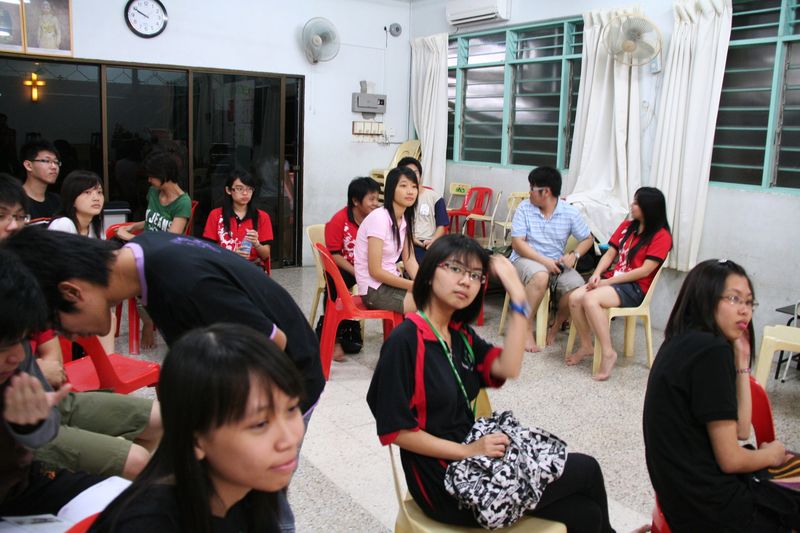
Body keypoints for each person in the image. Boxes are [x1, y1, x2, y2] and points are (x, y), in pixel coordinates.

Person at [3, 227, 324, 531]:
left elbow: (271, 345)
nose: (70, 336)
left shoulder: (182, 281)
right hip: (253, 390)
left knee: (261, 495)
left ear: (72, 292)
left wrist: (242, 423)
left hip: (286, 380)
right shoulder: (146, 255)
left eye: (59, 326)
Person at [367, 234, 615, 532]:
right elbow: (396, 431)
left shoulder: (459, 335)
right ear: (430, 274)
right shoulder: (404, 342)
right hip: (445, 481)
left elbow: (508, 366)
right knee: (587, 470)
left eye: (475, 275)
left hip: (478, 458)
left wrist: (519, 298)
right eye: (455, 269)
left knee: (586, 515)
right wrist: (468, 451)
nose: (466, 281)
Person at [90, 323, 305, 532]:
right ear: (196, 440)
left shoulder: (252, 489)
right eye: (260, 424)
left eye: (291, 409)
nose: (289, 440)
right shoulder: (146, 524)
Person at [643, 259, 800, 531]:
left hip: (681, 496)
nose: (744, 310)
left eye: (749, 302)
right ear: (705, 298)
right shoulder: (710, 351)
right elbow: (731, 459)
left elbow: (741, 430)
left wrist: (742, 361)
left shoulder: (681, 338)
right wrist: (772, 455)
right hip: (712, 510)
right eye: (734, 299)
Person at [0, 248, 99, 516]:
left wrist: (29, 424)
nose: (18, 356)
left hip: (20, 487)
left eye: (23, 340)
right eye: (4, 347)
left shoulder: (17, 357)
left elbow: (46, 429)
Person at [566, 187, 672, 380]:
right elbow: (609, 254)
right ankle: (586, 345)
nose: (632, 205)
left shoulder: (661, 236)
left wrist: (608, 282)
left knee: (590, 299)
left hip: (635, 287)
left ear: (648, 208)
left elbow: (645, 271)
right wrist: (596, 275)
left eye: (637, 203)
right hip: (612, 280)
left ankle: (608, 353)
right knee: (574, 298)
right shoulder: (626, 226)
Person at [510, 166, 594, 352]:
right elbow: (517, 243)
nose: (529, 192)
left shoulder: (569, 212)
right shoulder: (524, 208)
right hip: (525, 260)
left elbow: (588, 239)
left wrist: (574, 255)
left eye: (532, 188)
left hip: (555, 264)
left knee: (577, 288)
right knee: (540, 276)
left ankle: (556, 324)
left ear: (546, 192)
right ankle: (525, 327)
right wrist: (544, 262)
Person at [116, 150, 192, 349]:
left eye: (152, 175)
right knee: (129, 271)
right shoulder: (153, 192)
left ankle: (152, 322)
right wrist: (134, 226)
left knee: (141, 277)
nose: (149, 180)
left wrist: (130, 237)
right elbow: (152, 220)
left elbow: (170, 239)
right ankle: (149, 321)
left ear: (164, 174)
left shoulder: (183, 202)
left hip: (165, 254)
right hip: (145, 250)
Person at [323, 176, 381, 361]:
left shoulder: (378, 219)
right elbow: (334, 254)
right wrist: (357, 272)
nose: (376, 203)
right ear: (356, 201)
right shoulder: (339, 220)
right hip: (349, 268)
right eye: (371, 199)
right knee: (334, 284)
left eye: (377, 198)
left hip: (372, 267)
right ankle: (334, 339)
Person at [354, 166, 419, 314]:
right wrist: (414, 286)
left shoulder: (405, 219)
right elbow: (375, 271)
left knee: (439, 296)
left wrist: (424, 282)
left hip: (392, 282)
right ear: (391, 189)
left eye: (414, 187)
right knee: (432, 303)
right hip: (374, 290)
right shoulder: (379, 218)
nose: (410, 191)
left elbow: (409, 260)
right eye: (403, 186)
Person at [202, 168, 272, 268]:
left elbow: (265, 255)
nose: (245, 193)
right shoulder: (216, 215)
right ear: (228, 190)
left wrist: (257, 244)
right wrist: (232, 254)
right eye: (239, 188)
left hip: (251, 267)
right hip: (224, 266)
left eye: (249, 189)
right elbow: (208, 250)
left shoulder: (262, 217)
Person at [398, 156, 448, 264]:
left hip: (427, 242)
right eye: (408, 172)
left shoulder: (435, 197)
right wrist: (410, 238)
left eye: (415, 172)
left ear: (420, 175)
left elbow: (441, 226)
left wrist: (433, 241)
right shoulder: (399, 198)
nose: (412, 175)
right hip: (404, 240)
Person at [48, 170, 105, 238]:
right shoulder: (63, 224)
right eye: (87, 192)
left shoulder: (95, 227)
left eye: (99, 192)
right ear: (72, 199)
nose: (96, 198)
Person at [20, 139, 61, 220]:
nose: (54, 167)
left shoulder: (57, 201)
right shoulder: (14, 200)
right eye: (46, 161)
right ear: (28, 165)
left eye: (56, 162)